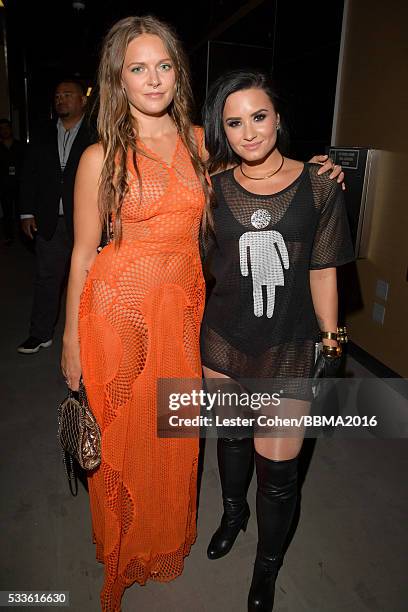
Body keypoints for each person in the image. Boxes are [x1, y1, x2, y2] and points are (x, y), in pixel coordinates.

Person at [61, 16, 343, 611]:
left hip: (186, 314)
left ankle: (166, 534)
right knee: (124, 440)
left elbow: (258, 162)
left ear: (178, 72)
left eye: (164, 65)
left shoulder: (199, 143)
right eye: (138, 68)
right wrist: (70, 341)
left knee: (177, 436)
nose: (154, 79)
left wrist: (323, 172)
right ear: (119, 79)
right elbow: (84, 255)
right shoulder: (100, 157)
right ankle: (125, 547)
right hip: (118, 313)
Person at [200, 70, 354, 612]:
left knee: (279, 470)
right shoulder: (212, 190)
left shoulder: (319, 185)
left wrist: (332, 343)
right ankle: (232, 514)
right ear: (221, 131)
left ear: (279, 118)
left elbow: (322, 269)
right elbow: (203, 267)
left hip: (288, 345)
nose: (249, 132)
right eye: (234, 122)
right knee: (233, 439)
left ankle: (267, 568)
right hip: (223, 340)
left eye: (258, 116)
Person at [17, 78, 94, 354]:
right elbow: (29, 175)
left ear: (82, 100)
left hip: (87, 223)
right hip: (50, 221)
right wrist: (27, 212)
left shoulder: (97, 133)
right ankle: (40, 334)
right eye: (57, 95)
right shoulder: (43, 133)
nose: (61, 99)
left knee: (89, 283)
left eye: (68, 94)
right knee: (46, 279)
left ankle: (88, 340)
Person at [0, 118, 24, 245]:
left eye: (6, 128)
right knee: (7, 212)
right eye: (2, 128)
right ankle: (9, 236)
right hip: (4, 185)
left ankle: (23, 236)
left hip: (19, 184)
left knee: (21, 211)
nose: (4, 131)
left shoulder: (20, 146)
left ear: (11, 129)